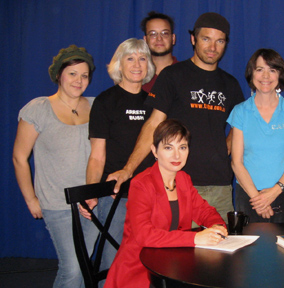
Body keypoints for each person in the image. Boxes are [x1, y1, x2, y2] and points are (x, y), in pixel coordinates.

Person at [107, 12, 245, 224]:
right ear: (193, 39)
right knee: (180, 253)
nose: (212, 47)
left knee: (221, 253)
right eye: (206, 39)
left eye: (219, 41)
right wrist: (128, 169)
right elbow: (154, 123)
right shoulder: (173, 75)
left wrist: (222, 149)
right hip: (178, 182)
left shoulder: (231, 84)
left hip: (220, 186)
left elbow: (239, 128)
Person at [104, 119, 227, 288]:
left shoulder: (184, 179)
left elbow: (203, 210)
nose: (177, 155)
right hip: (140, 269)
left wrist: (217, 225)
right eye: (168, 148)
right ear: (154, 151)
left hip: (173, 263)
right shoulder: (141, 184)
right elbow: (144, 235)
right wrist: (196, 238)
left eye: (182, 147)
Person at [12, 45, 95, 287]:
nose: (78, 80)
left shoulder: (96, 105)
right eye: (72, 73)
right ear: (59, 74)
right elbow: (19, 157)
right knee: (71, 268)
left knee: (83, 264)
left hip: (91, 202)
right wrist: (31, 199)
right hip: (57, 203)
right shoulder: (38, 108)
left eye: (84, 75)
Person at [82, 38, 155, 279]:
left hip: (151, 198)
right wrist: (91, 192)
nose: (137, 64)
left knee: (148, 264)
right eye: (130, 58)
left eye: (142, 58)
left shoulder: (155, 104)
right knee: (113, 264)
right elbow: (97, 156)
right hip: (116, 198)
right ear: (119, 65)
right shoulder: (105, 102)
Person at [228, 49, 284, 223]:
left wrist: (274, 192)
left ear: (280, 75)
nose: (265, 76)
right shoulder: (240, 112)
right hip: (249, 195)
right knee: (250, 250)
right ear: (251, 73)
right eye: (259, 69)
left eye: (272, 70)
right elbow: (236, 162)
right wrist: (258, 200)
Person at [140, 11, 179, 92]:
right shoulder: (137, 74)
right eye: (153, 34)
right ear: (145, 40)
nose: (159, 39)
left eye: (165, 33)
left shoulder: (186, 74)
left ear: (173, 38)